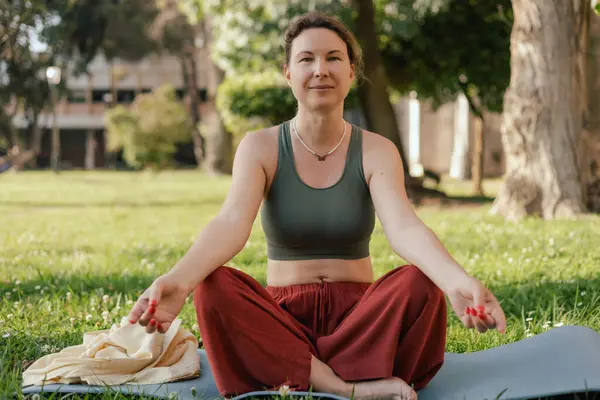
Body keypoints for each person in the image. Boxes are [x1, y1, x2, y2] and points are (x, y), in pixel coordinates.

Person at [127, 11, 507, 400]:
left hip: (361, 321)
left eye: (333, 58)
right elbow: (230, 224)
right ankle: (344, 385)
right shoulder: (260, 148)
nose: (320, 69)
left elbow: (404, 228)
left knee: (420, 282)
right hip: (283, 320)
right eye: (306, 59)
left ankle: (298, 371)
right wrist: (179, 279)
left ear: (351, 72)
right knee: (215, 288)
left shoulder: (377, 150)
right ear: (288, 73)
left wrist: (456, 281)